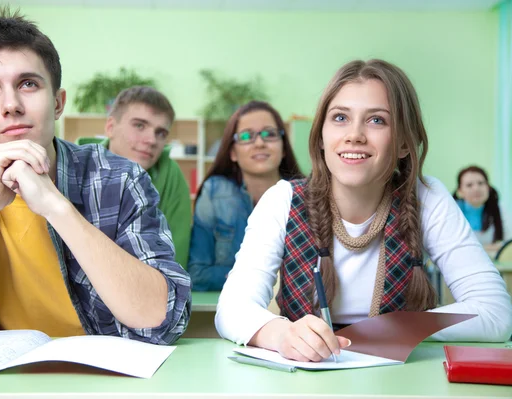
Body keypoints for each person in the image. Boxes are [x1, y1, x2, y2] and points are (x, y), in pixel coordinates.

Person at [0, 8, 191, 344]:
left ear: (58, 103)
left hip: (99, 381)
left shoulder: (118, 179)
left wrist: (55, 206)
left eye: (28, 84)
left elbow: (162, 320)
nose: (11, 104)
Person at [215, 59, 512, 362]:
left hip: (401, 380)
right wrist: (281, 335)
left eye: (377, 121)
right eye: (340, 117)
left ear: (405, 145)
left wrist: (400, 327)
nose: (354, 134)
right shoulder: (282, 200)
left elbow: (496, 312)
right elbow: (232, 309)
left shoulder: (427, 197)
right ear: (320, 137)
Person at [188, 101, 304, 291]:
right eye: (246, 136)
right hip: (231, 312)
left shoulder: (306, 196)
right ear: (233, 152)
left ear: (283, 148)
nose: (259, 143)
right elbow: (197, 274)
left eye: (269, 134)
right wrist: (260, 278)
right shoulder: (214, 192)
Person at [76, 87, 191, 269]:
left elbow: (175, 261)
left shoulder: (171, 173)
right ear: (110, 127)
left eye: (160, 133)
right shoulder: (75, 165)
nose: (152, 140)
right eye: (140, 126)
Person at [454, 165, 511, 255]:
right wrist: (488, 248)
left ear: (488, 187)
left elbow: (508, 245)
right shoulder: (452, 211)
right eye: (469, 185)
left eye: (480, 183)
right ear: (460, 191)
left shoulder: (500, 209)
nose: (476, 188)